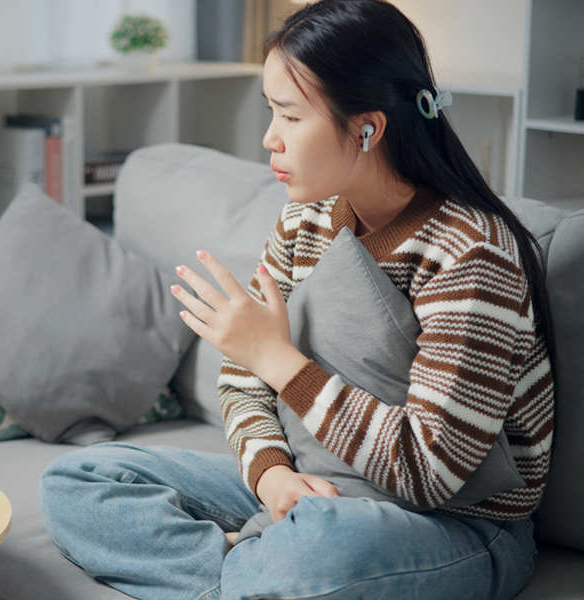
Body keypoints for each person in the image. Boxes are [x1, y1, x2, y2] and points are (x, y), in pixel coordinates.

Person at [38, 1, 554, 598]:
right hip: (310, 487)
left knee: (321, 553)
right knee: (80, 479)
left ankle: (268, 566)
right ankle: (259, 572)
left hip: (454, 524)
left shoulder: (471, 254)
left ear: (367, 127)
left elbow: (429, 473)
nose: (269, 138)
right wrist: (271, 477)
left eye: (288, 115)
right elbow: (242, 377)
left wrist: (277, 357)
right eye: (270, 111)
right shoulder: (303, 221)